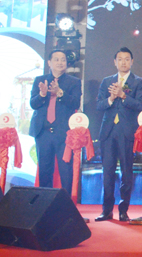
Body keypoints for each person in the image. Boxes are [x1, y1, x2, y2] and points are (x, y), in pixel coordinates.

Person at [96, 47, 142, 222]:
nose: (123, 62)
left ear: (132, 62)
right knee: (108, 171)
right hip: (109, 131)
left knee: (126, 171)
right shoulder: (106, 81)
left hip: (127, 132)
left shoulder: (138, 82)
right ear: (115, 62)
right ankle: (106, 210)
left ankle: (123, 210)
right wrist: (111, 98)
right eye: (120, 59)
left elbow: (139, 105)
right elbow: (99, 105)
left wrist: (123, 95)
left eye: (127, 59)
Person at [29, 49, 82, 196]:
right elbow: (33, 104)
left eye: (63, 59)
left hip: (63, 133)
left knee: (66, 171)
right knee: (45, 170)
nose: (60, 62)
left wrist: (60, 93)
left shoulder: (74, 82)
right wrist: (42, 94)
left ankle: (66, 205)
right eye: (57, 59)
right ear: (49, 63)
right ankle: (45, 206)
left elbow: (75, 103)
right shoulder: (40, 80)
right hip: (43, 132)